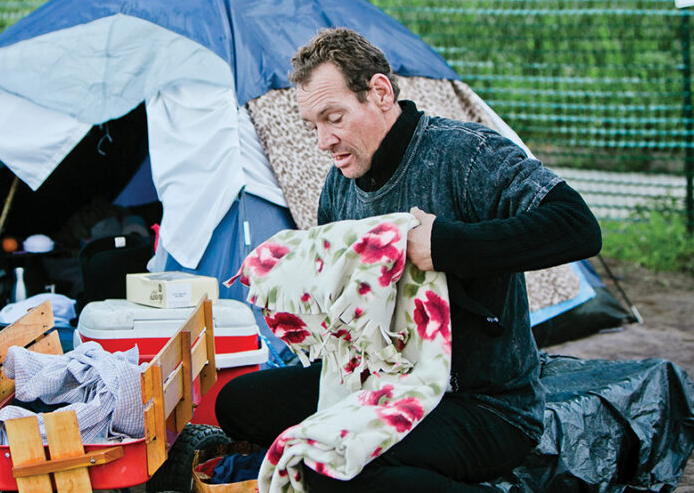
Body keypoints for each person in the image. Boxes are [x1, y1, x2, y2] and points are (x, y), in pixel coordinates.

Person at [215, 27, 602, 492]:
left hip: (479, 403)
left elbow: (578, 225)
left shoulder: (465, 154)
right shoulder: (340, 182)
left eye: (333, 117)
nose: (323, 140)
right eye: (312, 125)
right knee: (236, 404)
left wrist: (445, 246)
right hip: (377, 380)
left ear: (378, 92)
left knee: (329, 464)